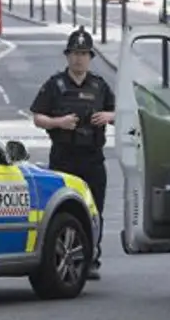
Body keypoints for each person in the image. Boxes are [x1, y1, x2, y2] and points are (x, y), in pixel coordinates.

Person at [29, 26, 115, 280]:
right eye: (75, 54)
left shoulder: (99, 86)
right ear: (67, 56)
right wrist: (59, 122)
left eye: (84, 54)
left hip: (92, 159)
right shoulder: (55, 85)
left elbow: (121, 113)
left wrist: (108, 116)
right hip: (64, 158)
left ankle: (91, 260)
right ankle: (63, 258)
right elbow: (38, 117)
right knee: (64, 212)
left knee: (94, 211)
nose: (79, 59)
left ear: (90, 57)